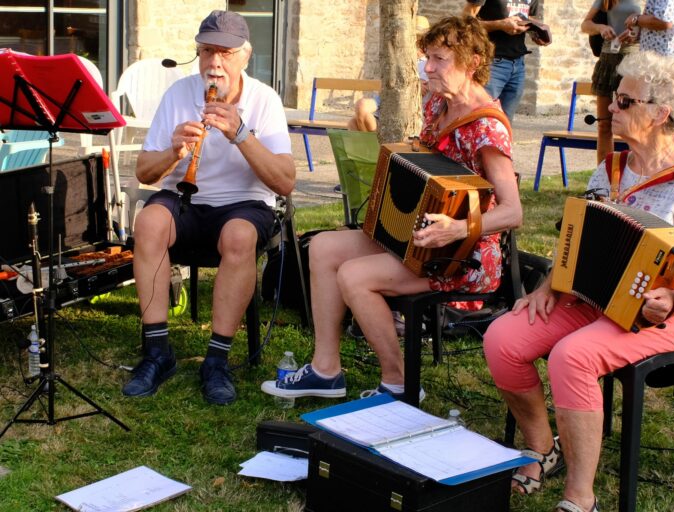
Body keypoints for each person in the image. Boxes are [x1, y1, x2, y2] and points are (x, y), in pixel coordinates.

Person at [483, 51, 674, 512]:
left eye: (625, 101)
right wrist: (549, 287)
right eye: (614, 99)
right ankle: (543, 448)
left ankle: (581, 497)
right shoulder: (612, 170)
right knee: (502, 337)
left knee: (572, 356)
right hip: (594, 301)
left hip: (666, 315)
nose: (611, 109)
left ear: (660, 113)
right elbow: (584, 239)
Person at [261, 16, 522, 402]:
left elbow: (513, 212)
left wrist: (456, 228)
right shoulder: (439, 103)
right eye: (427, 57)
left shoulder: (487, 128)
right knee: (321, 247)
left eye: (439, 59)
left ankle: (399, 384)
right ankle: (326, 369)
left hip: (464, 256)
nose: (428, 67)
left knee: (354, 275)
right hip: (423, 239)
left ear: (472, 62)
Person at [123, 10, 295, 405]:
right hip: (185, 199)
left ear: (244, 57)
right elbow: (146, 174)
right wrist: (174, 150)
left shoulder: (264, 100)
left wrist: (241, 134)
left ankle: (216, 361)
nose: (214, 63)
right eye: (206, 51)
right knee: (148, 223)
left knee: (239, 236)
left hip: (244, 202)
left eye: (225, 53)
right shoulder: (179, 94)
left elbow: (284, 181)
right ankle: (157, 352)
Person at [463, 0, 551, 122]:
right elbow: (466, 21)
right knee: (477, 117)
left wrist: (537, 32)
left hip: (518, 64)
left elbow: (527, 18)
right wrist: (499, 25)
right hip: (490, 63)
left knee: (504, 122)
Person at [581, 0, 642, 165]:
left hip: (633, 61)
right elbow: (585, 25)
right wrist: (601, 28)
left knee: (633, 126)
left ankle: (633, 176)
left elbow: (659, 28)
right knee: (604, 125)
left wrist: (638, 34)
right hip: (607, 59)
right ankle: (602, 179)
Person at [347, 16, 431, 133]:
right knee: (355, 118)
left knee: (359, 113)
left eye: (418, 40)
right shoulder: (401, 59)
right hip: (386, 100)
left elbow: (420, 90)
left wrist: (409, 84)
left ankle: (375, 146)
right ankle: (372, 146)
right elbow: (389, 84)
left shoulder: (427, 64)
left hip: (404, 108)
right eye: (413, 39)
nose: (415, 44)